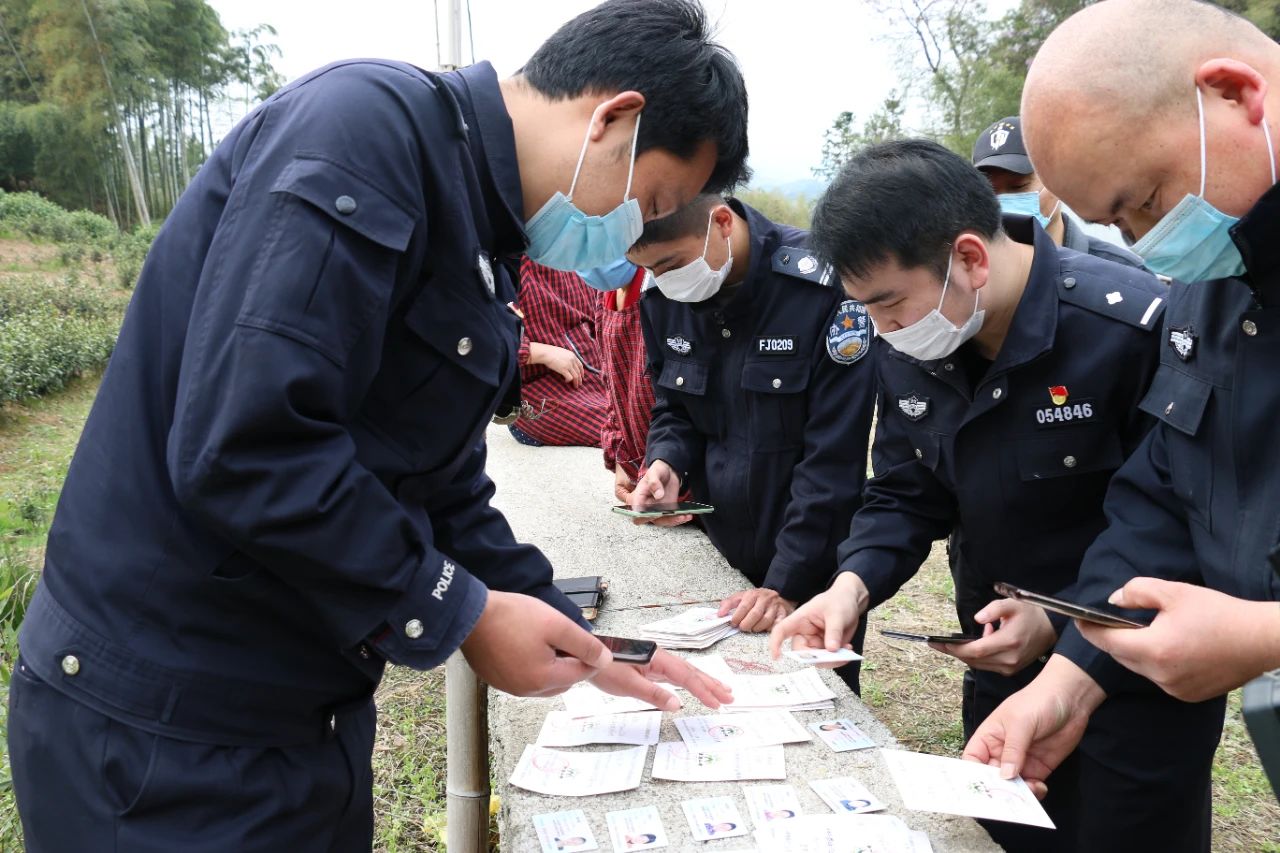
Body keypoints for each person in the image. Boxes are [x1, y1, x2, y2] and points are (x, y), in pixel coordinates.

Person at [5, 1, 747, 849]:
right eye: (648, 201)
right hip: (162, 732)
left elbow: (439, 485)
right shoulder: (361, 134)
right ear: (614, 118)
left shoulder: (480, 235)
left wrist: (588, 635)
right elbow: (247, 445)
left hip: (294, 718)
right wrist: (461, 612)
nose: (632, 233)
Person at [769, 139, 1224, 851]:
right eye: (866, 310)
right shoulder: (915, 340)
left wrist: (1056, 618)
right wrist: (849, 587)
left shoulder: (1129, 327)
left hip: (1135, 678)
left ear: (970, 258)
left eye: (888, 303)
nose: (883, 329)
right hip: (998, 662)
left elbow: (1176, 521)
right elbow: (903, 490)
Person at [961, 0, 1280, 802]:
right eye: (1114, 222)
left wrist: (1267, 634)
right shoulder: (1213, 280)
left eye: (1144, 200)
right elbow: (1167, 487)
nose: (1143, 243)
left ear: (1237, 95)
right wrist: (1071, 673)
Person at [624, 194, 876, 682]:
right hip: (719, 557)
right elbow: (674, 405)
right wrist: (667, 463)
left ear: (720, 223)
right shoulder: (662, 296)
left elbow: (834, 456)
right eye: (649, 268)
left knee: (814, 711)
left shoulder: (821, 288)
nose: (665, 280)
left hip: (813, 564)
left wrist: (788, 584)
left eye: (671, 263)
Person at [971, 115, 1144, 268]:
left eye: (1019, 187)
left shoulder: (1120, 271)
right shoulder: (973, 273)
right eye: (991, 192)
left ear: (1056, 182)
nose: (1003, 201)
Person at [507, 256, 609, 448]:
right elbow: (481, 339)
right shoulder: (506, 263)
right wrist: (537, 352)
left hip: (596, 371)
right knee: (624, 432)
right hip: (538, 390)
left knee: (649, 414)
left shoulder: (568, 252)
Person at [592, 259, 659, 501]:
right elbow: (610, 384)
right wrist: (623, 460)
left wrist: (663, 466)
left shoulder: (658, 286)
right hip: (641, 471)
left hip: (675, 468)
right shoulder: (604, 293)